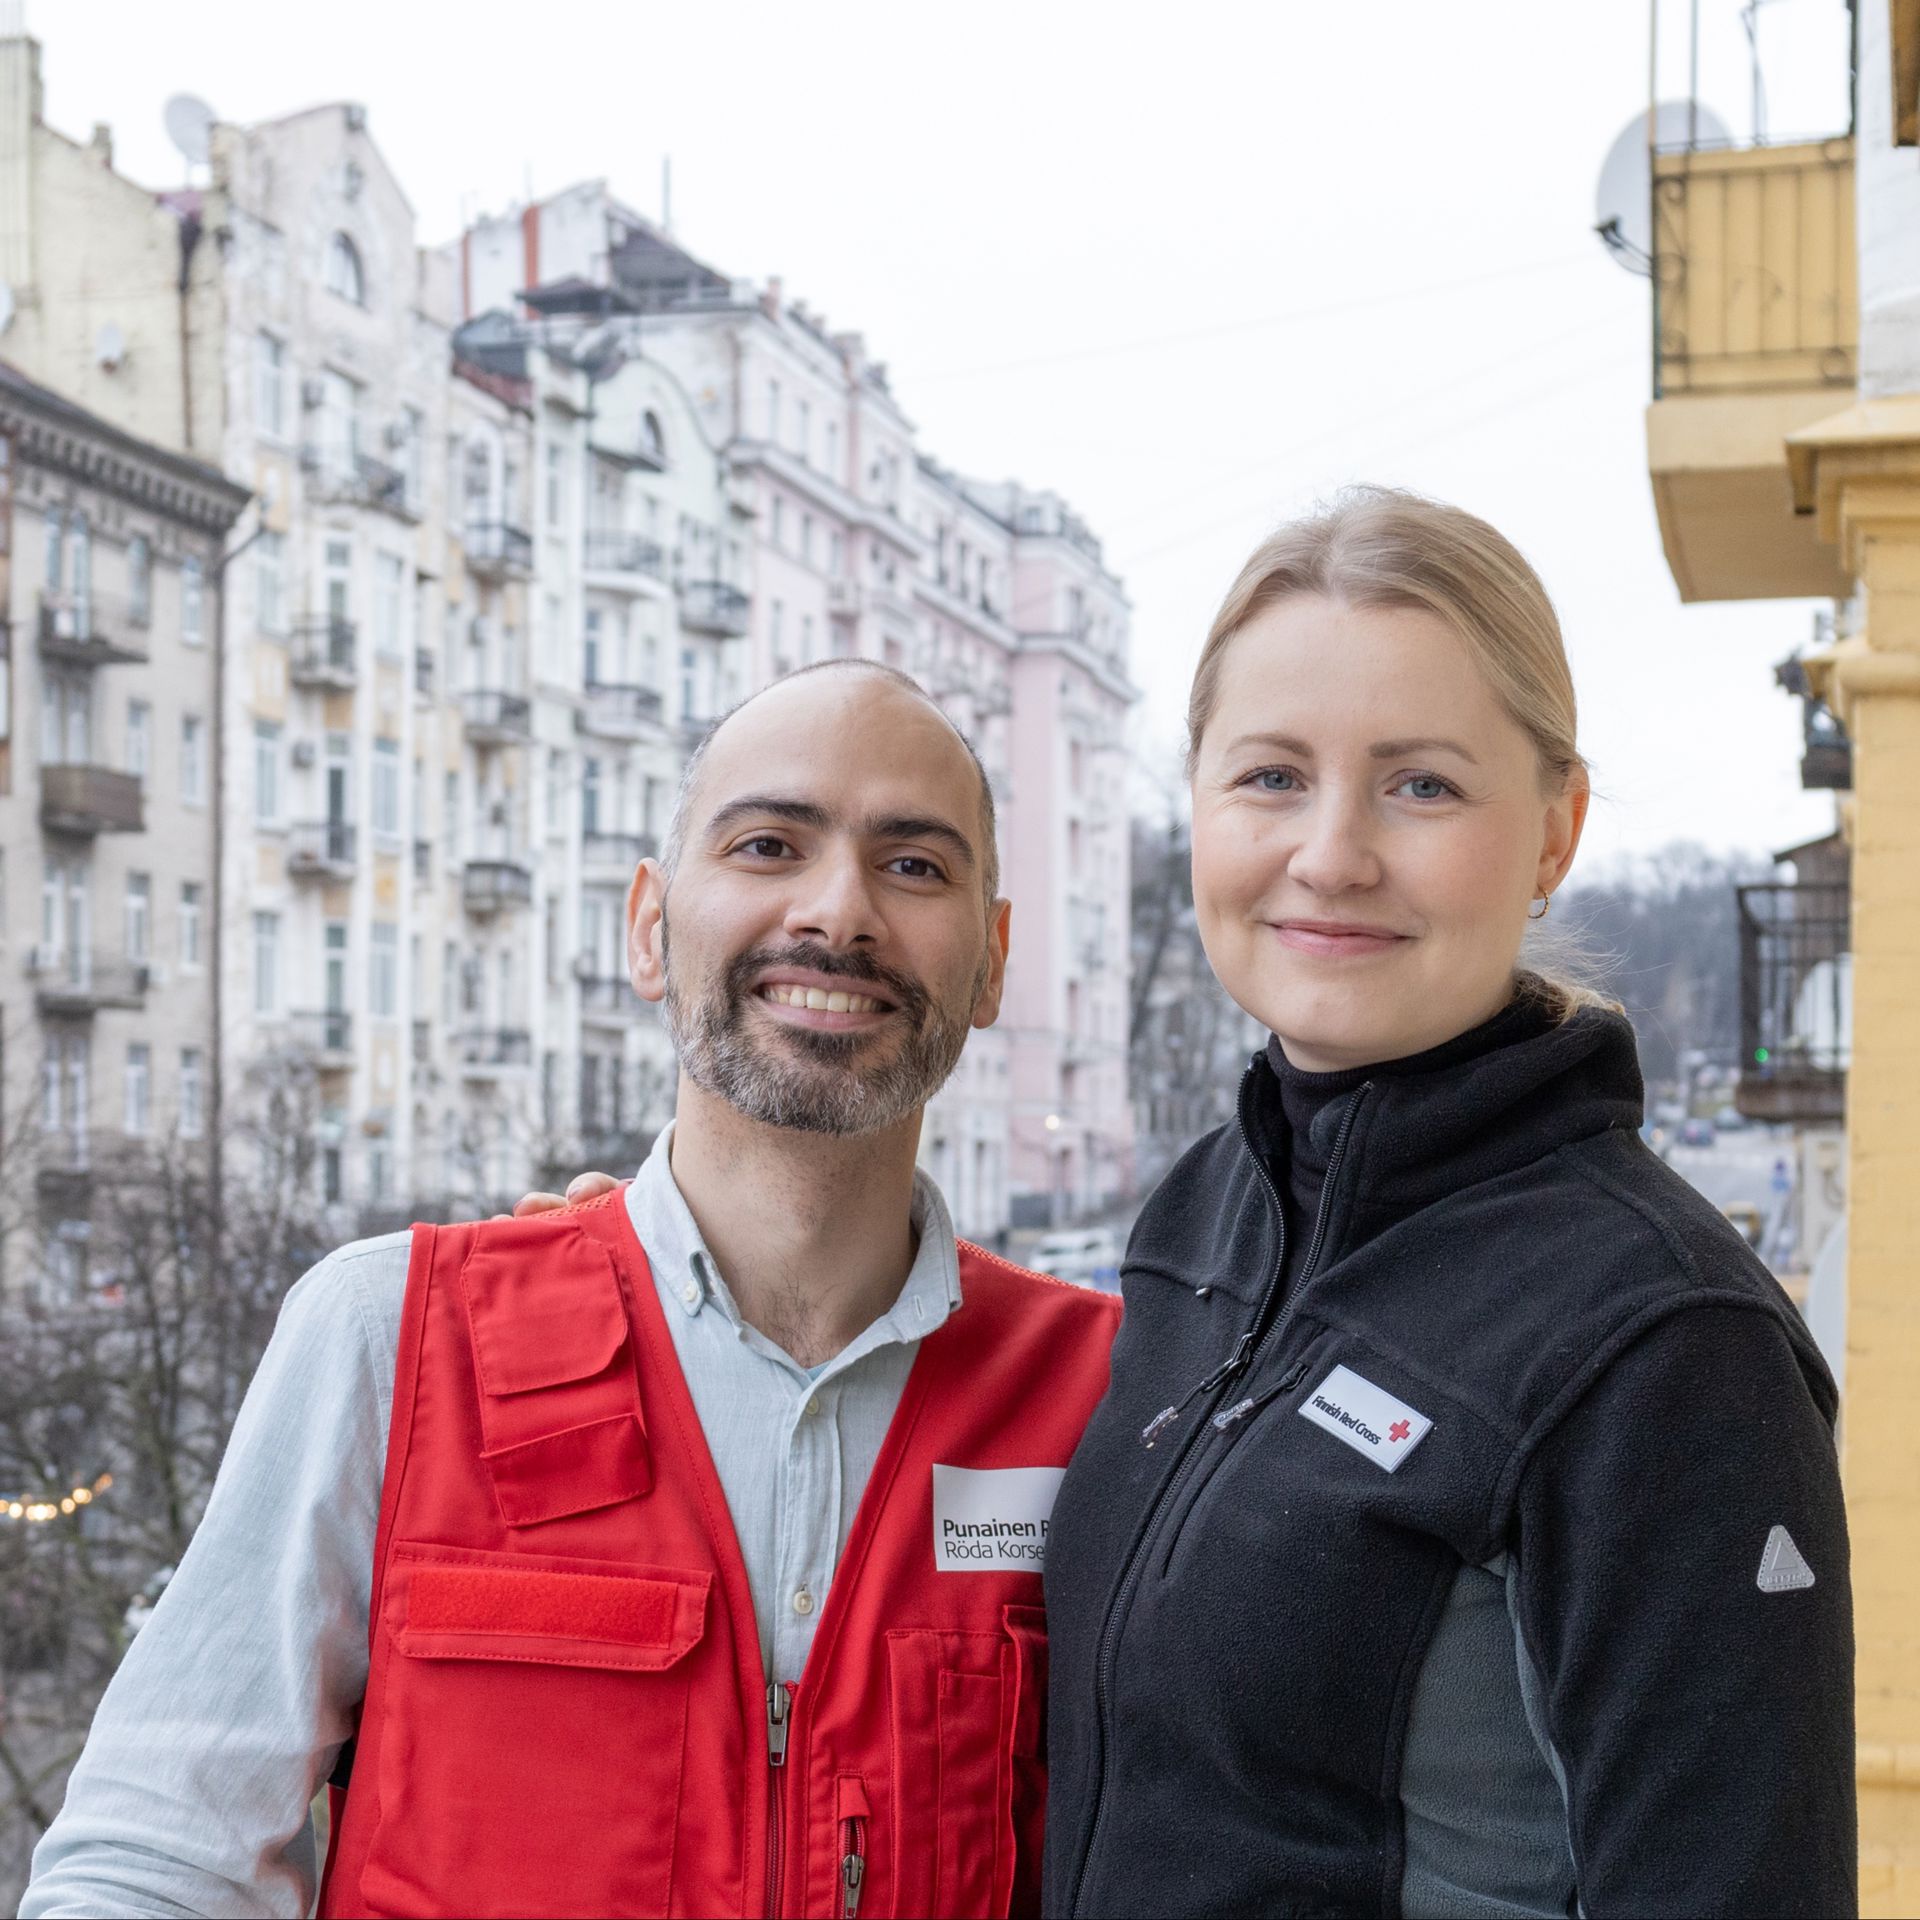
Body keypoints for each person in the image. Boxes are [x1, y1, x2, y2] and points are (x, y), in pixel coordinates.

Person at [23, 661, 1119, 1920]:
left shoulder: (1112, 1401)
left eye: (914, 866)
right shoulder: (393, 1341)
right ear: (649, 927)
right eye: (769, 844)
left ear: (992, 964)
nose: (838, 911)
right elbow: (159, 1863)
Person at [1038, 489, 1856, 1917]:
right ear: (1196, 806)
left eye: (1420, 784)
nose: (1333, 851)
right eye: (1272, 776)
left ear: (1553, 833)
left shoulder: (1662, 1341)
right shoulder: (1205, 1215)